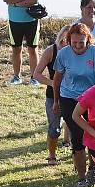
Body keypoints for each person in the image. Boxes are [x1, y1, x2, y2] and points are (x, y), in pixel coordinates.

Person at [53, 23, 95, 187]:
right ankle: (82, 178)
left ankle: (93, 166)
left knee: (93, 133)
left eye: (81, 43)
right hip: (69, 98)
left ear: (88, 41)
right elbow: (57, 78)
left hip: (91, 98)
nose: (77, 47)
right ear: (69, 41)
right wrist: (56, 101)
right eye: (74, 43)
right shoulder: (63, 54)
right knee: (77, 137)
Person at [33, 25, 71, 166]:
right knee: (54, 128)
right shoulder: (51, 50)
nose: (66, 42)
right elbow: (36, 74)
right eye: (64, 39)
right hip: (53, 96)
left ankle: (75, 155)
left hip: (72, 95)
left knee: (75, 127)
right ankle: (52, 155)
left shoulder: (78, 51)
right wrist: (53, 83)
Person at [2, 0, 41, 86]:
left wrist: (16, 3)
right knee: (16, 49)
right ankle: (16, 76)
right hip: (14, 20)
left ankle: (34, 77)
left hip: (32, 20)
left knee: (32, 48)